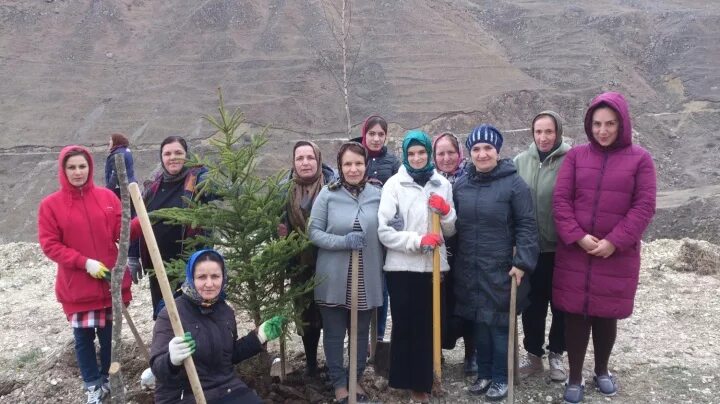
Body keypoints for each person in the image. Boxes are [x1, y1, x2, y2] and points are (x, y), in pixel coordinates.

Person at [553, 92, 656, 403]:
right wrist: (578, 236)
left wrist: (615, 241)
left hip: (616, 253)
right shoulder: (576, 157)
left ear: (622, 124)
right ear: (589, 125)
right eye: (597, 124)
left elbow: (644, 206)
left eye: (610, 124)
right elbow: (560, 201)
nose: (603, 130)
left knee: (605, 313)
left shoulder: (640, 159)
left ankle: (601, 370)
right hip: (576, 250)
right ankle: (574, 377)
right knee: (575, 314)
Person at [38, 145, 133, 404]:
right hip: (77, 287)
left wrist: (143, 221)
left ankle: (107, 380)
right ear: (63, 170)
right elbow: (50, 245)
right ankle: (92, 385)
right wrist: (83, 262)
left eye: (82, 166)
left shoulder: (106, 198)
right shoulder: (51, 206)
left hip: (109, 283)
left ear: (90, 168)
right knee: (83, 340)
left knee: (109, 337)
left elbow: (120, 233)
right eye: (72, 167)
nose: (78, 172)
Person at [453, 125, 538, 401]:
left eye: (488, 148)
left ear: (497, 150)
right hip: (471, 265)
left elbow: (527, 225)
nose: (482, 154)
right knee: (479, 323)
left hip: (502, 266)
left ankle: (501, 377)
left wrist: (522, 262)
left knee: (499, 325)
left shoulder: (514, 184)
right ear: (470, 153)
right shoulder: (462, 184)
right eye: (476, 149)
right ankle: (485, 374)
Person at [377, 130, 456, 403]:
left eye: (422, 152)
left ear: (428, 154)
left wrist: (446, 212)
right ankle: (407, 383)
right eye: (412, 153)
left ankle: (425, 382)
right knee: (405, 325)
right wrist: (418, 240)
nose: (417, 157)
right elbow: (385, 232)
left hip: (433, 267)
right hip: (402, 268)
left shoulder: (441, 183)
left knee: (428, 326)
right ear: (405, 156)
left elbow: (451, 228)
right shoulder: (394, 186)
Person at [150, 249, 285, 403]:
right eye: (201, 277)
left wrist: (259, 336)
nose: (209, 284)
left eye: (215, 276)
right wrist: (171, 360)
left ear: (223, 278)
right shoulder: (172, 314)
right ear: (191, 278)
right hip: (184, 395)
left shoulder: (225, 311)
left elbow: (228, 356)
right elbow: (158, 369)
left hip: (226, 388)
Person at [308, 141, 383, 403]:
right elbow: (313, 232)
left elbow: (388, 227)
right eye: (348, 164)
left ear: (366, 165)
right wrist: (343, 242)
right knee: (334, 332)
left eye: (358, 163)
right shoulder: (328, 195)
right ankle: (340, 383)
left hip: (366, 276)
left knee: (361, 332)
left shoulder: (377, 194)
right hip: (334, 277)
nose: (353, 169)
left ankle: (356, 379)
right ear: (340, 166)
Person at [513, 111, 571, 382]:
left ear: (558, 132)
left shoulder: (571, 161)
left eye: (549, 132)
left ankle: (557, 353)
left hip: (562, 249)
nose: (544, 137)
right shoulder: (520, 162)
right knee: (533, 305)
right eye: (538, 132)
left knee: (561, 305)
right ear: (532, 133)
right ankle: (533, 355)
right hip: (530, 250)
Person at [132, 135, 211, 320]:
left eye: (178, 152)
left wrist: (212, 179)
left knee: (192, 315)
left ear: (187, 155)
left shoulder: (198, 179)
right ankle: (165, 348)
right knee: (163, 314)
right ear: (161, 158)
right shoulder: (152, 187)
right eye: (167, 153)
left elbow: (218, 192)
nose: (172, 157)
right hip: (158, 266)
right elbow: (139, 222)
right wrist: (132, 255)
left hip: (191, 264)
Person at [278, 140, 335, 376]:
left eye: (310, 157)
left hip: (330, 262)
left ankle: (335, 366)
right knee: (306, 316)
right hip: (299, 265)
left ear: (318, 159)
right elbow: (276, 223)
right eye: (299, 158)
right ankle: (311, 365)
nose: (305, 163)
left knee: (332, 314)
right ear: (293, 162)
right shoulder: (283, 190)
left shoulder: (333, 186)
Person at [352, 115, 401, 342]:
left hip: (382, 233)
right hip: (357, 231)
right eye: (372, 134)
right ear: (364, 134)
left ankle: (378, 336)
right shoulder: (354, 159)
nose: (376, 139)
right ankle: (358, 335)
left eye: (381, 134)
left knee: (381, 286)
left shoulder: (392, 164)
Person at [432, 131, 476, 375]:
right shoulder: (428, 181)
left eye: (451, 152)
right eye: (441, 153)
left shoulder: (470, 178)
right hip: (437, 247)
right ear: (434, 156)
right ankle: (436, 350)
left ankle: (471, 353)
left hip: (465, 249)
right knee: (438, 300)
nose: (446, 158)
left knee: (467, 301)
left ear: (459, 154)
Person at [104, 133, 142, 281]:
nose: (108, 143)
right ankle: (133, 255)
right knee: (132, 219)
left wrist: (108, 191)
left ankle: (130, 256)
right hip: (132, 187)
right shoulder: (127, 151)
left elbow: (115, 174)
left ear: (115, 141)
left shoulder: (117, 154)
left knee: (126, 222)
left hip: (122, 191)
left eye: (110, 140)